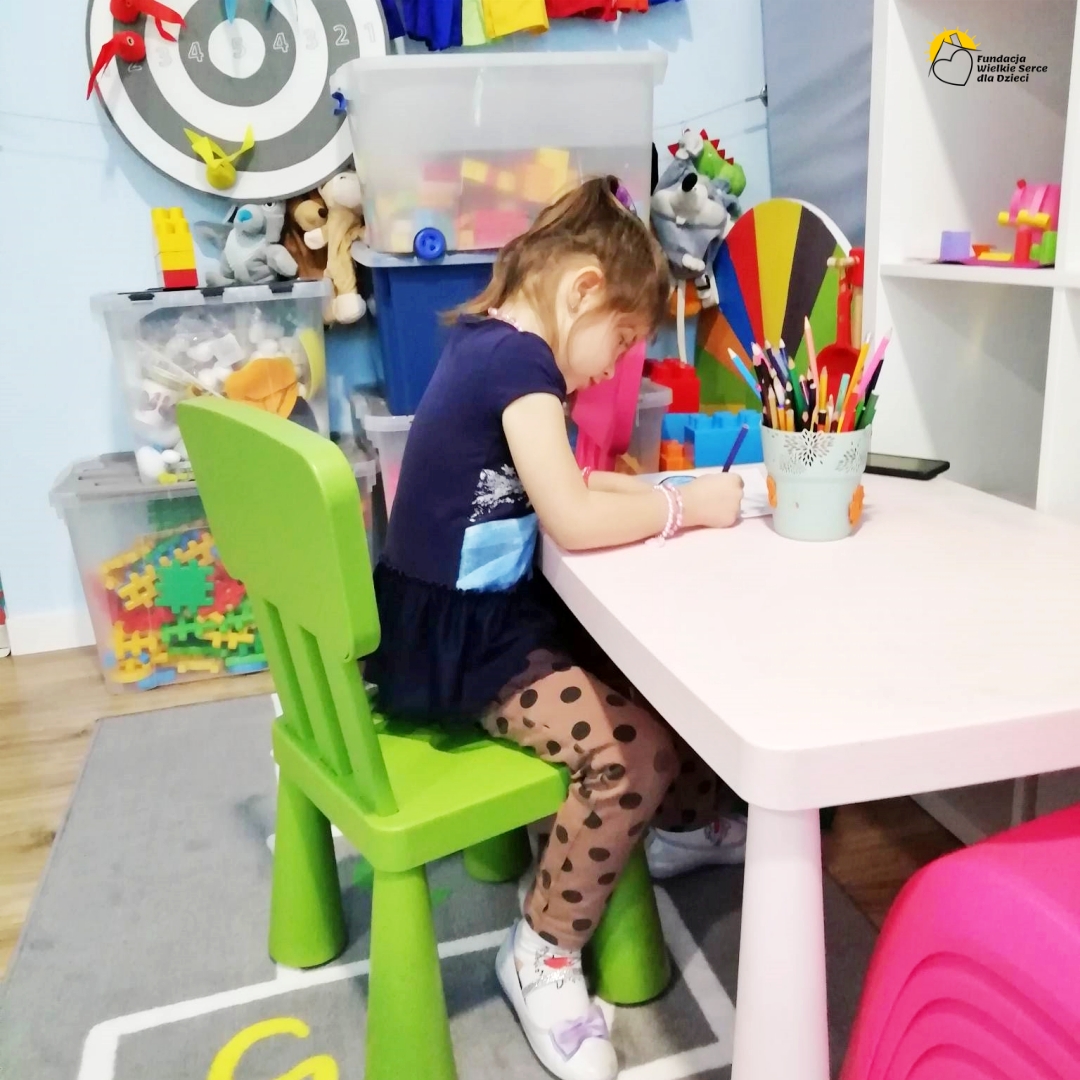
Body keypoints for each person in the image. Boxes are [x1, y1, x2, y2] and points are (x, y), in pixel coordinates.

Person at [366, 176, 747, 1080]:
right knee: (629, 751)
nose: (613, 370)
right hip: (466, 640)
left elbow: (563, 484)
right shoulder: (521, 367)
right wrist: (680, 511)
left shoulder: (490, 347)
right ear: (582, 291)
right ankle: (540, 950)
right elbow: (571, 518)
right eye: (620, 341)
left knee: (652, 666)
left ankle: (684, 825)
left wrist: (659, 491)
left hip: (474, 612)